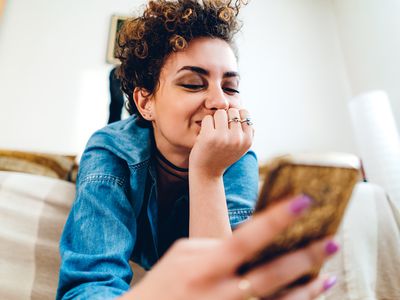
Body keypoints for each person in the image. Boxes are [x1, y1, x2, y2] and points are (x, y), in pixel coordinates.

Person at [57, 1, 339, 299]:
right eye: (193, 83)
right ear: (145, 102)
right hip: (130, 140)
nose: (220, 102)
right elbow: (89, 286)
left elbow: (228, 285)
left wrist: (208, 173)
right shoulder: (109, 150)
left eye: (230, 87)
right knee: (113, 125)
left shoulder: (238, 154)